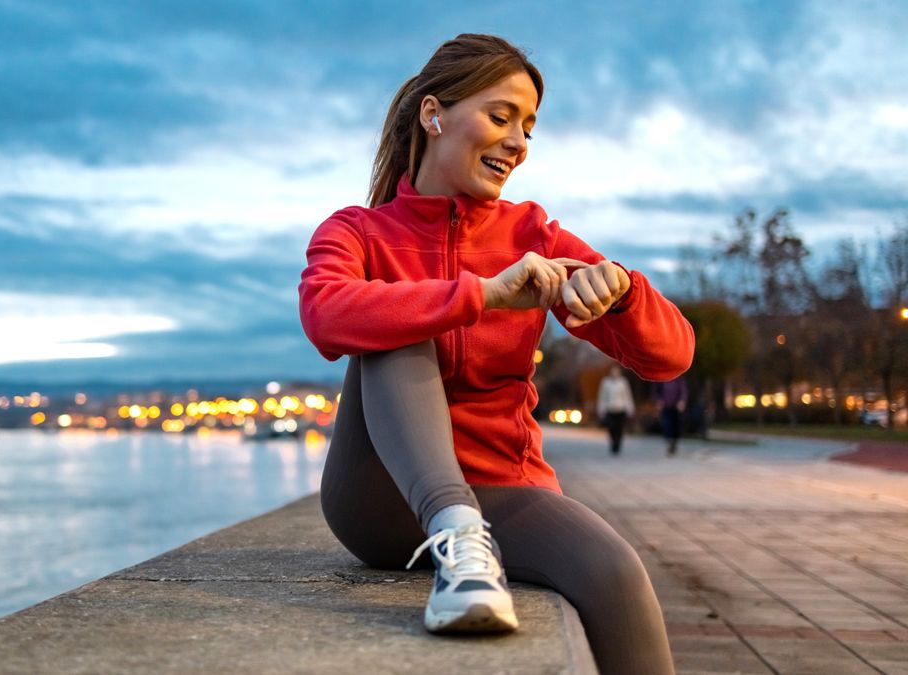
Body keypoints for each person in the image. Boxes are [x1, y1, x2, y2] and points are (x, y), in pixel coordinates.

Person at [297, 34, 694, 674]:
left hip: (503, 488)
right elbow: (324, 314)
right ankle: (456, 538)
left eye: (529, 128)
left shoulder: (534, 236)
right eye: (501, 116)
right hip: (379, 500)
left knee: (616, 573)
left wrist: (619, 292)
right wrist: (479, 294)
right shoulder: (357, 232)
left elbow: (672, 355)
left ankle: (469, 538)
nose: (518, 142)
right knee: (394, 317)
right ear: (434, 115)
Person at [596, 364, 635, 455]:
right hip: (610, 409)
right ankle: (613, 443)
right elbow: (602, 397)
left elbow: (627, 396)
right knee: (611, 428)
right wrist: (601, 409)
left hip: (620, 409)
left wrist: (630, 408)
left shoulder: (623, 382)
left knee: (619, 428)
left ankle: (618, 445)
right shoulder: (606, 382)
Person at [654, 376, 688, 456]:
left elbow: (683, 390)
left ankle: (674, 443)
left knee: (676, 425)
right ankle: (669, 442)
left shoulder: (679, 378)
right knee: (666, 425)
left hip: (676, 407)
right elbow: (656, 391)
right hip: (665, 406)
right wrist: (658, 400)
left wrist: (682, 401)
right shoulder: (662, 377)